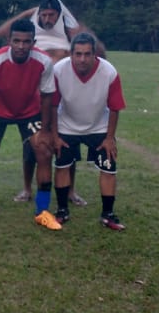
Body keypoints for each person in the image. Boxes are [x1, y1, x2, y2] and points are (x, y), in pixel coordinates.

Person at [0, 0, 96, 205]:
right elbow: (3, 32)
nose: (47, 18)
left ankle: (70, 190)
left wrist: (73, 24)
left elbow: (91, 50)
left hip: (64, 98)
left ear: (60, 15)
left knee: (67, 145)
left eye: (52, 15)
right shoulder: (31, 34)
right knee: (31, 146)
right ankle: (26, 188)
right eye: (43, 14)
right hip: (36, 100)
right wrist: (28, 12)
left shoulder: (68, 33)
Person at [0, 19, 62, 231]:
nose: (21, 46)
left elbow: (47, 96)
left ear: (34, 42)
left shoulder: (44, 61)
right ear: (9, 40)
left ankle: (42, 212)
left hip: (29, 112)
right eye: (17, 41)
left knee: (44, 151)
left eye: (27, 42)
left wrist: (45, 130)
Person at [50, 33, 126, 230]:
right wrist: (55, 136)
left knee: (108, 167)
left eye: (87, 54)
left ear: (95, 54)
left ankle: (108, 214)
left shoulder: (109, 72)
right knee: (62, 165)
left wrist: (109, 138)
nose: (82, 59)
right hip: (67, 125)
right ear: (71, 54)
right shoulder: (59, 70)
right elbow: (52, 106)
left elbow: (115, 108)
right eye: (78, 54)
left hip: (98, 126)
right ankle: (62, 210)